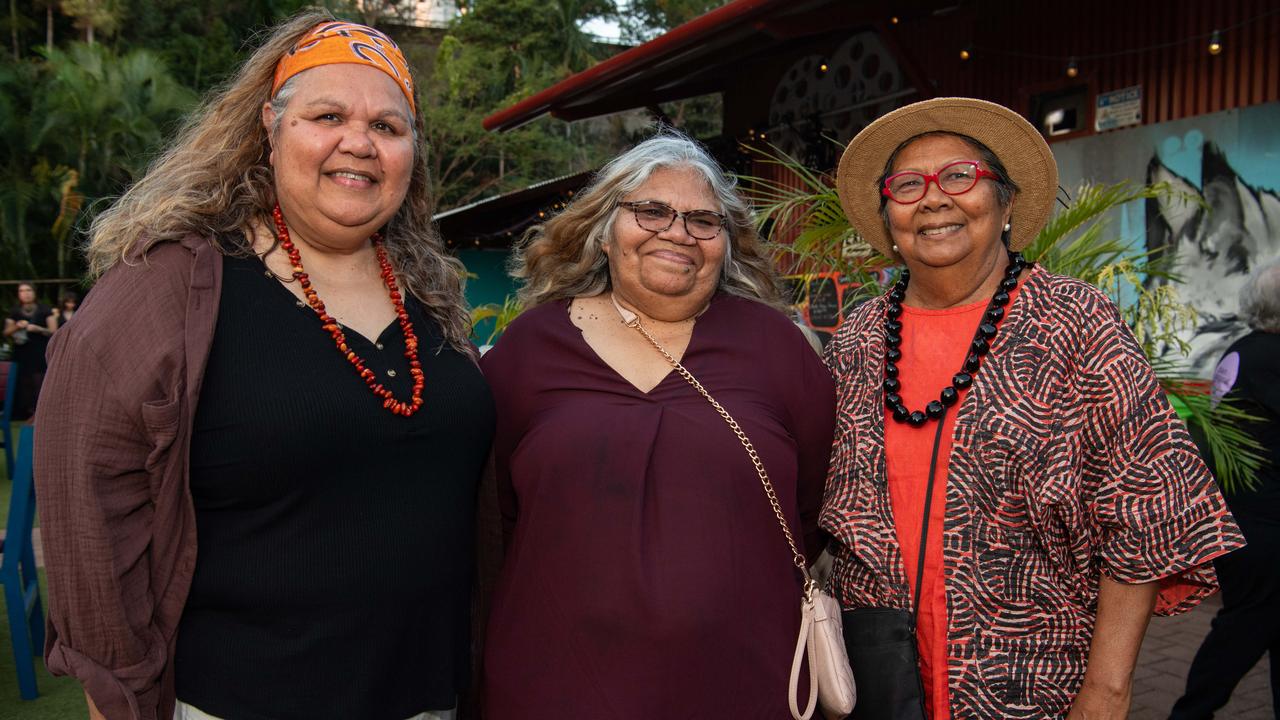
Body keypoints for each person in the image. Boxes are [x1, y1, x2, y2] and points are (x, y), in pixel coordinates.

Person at [34, 13, 494, 720]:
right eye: (327, 114)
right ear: (269, 129)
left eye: (389, 127)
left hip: (427, 702)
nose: (359, 142)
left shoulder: (430, 292)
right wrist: (115, 693)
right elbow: (89, 507)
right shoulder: (171, 285)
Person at [822, 97, 1244, 719]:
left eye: (961, 176)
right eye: (908, 185)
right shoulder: (857, 340)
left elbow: (1147, 510)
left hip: (1034, 675)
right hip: (874, 675)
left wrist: (1107, 691)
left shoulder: (1074, 322)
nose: (934, 199)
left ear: (1006, 203)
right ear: (888, 217)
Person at [479, 132, 836, 717]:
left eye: (703, 220)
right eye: (651, 210)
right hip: (555, 685)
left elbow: (814, 504)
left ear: (726, 242)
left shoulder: (777, 348)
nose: (677, 232)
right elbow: (496, 513)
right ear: (605, 227)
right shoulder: (531, 349)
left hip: (746, 683)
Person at [1171, 258, 1280, 719]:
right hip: (1267, 525)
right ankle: (1190, 713)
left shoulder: (1243, 349)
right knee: (1243, 631)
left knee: (1261, 625)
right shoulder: (1270, 357)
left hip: (1245, 518)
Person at [3, 282, 56, 419]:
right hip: (21, 351)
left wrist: (38, 329)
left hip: (39, 351)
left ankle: (41, 412)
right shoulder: (14, 311)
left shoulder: (45, 310)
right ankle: (25, 413)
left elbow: (54, 331)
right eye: (22, 291)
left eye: (28, 290)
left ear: (34, 292)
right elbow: (6, 332)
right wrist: (17, 326)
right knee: (23, 382)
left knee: (39, 381)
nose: (25, 293)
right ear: (18, 294)